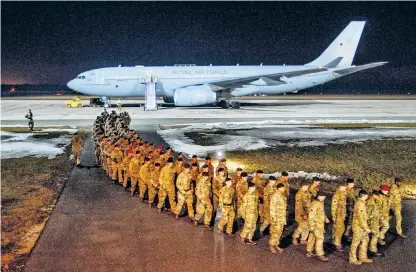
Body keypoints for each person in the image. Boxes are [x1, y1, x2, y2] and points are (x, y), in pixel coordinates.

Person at [349, 190, 373, 265]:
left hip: (362, 226)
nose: (367, 196)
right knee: (355, 242)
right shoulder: (359, 204)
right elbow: (360, 218)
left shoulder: (362, 202)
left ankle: (362, 257)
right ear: (364, 196)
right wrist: (366, 228)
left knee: (365, 240)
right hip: (358, 226)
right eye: (367, 195)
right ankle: (352, 259)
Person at [307, 191, 330, 262]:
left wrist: (326, 219)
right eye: (323, 196)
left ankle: (309, 251)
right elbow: (311, 215)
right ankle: (320, 254)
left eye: (324, 197)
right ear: (319, 196)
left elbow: (321, 213)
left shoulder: (319, 203)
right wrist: (311, 226)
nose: (324, 198)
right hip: (316, 225)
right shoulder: (315, 204)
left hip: (318, 224)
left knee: (312, 237)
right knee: (320, 239)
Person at [269, 183, 287, 253]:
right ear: (279, 188)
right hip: (277, 218)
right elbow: (272, 208)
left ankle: (276, 244)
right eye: (283, 188)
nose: (284, 189)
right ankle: (271, 245)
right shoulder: (275, 196)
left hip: (281, 217)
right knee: (275, 232)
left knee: (279, 232)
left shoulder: (281, 195)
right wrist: (273, 218)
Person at [293, 181, 311, 246]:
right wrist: (303, 214)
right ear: (302, 186)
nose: (307, 187)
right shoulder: (299, 194)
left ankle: (303, 239)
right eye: (305, 186)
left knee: (307, 226)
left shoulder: (307, 193)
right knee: (301, 226)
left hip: (307, 212)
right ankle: (295, 237)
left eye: (307, 186)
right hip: (301, 213)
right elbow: (299, 206)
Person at [331, 183, 347, 251]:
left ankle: (337, 242)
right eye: (344, 186)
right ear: (341, 187)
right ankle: (336, 244)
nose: (346, 187)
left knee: (341, 229)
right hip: (338, 215)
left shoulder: (343, 193)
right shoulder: (337, 195)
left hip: (342, 214)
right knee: (338, 230)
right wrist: (333, 216)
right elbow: (333, 206)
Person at [367, 190, 382, 256]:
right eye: (377, 196)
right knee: (375, 235)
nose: (378, 197)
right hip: (372, 222)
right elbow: (368, 214)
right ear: (374, 195)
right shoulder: (370, 202)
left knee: (375, 235)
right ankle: (372, 249)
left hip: (374, 221)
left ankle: (372, 248)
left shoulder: (373, 201)